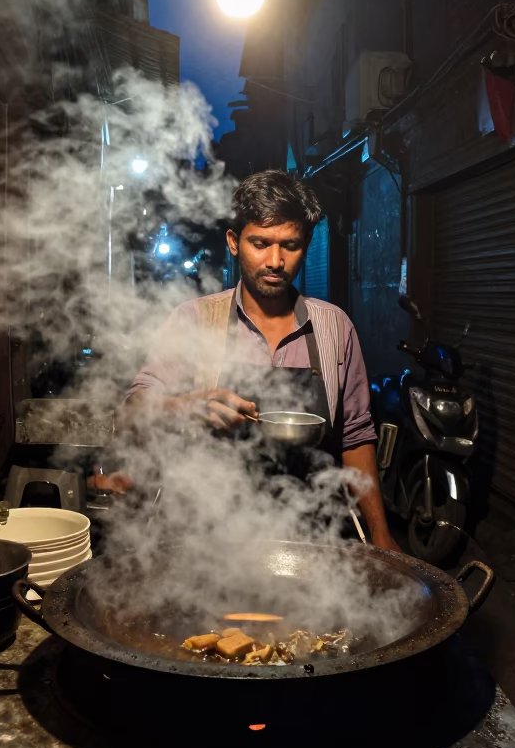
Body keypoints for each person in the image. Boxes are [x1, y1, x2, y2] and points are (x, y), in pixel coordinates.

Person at [121, 169, 401, 554]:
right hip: (208, 536)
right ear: (234, 242)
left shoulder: (334, 328)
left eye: (290, 245)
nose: (275, 261)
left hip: (312, 536)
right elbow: (133, 412)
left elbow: (355, 437)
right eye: (260, 243)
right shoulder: (194, 321)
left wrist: (380, 534)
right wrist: (185, 406)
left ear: (306, 245)